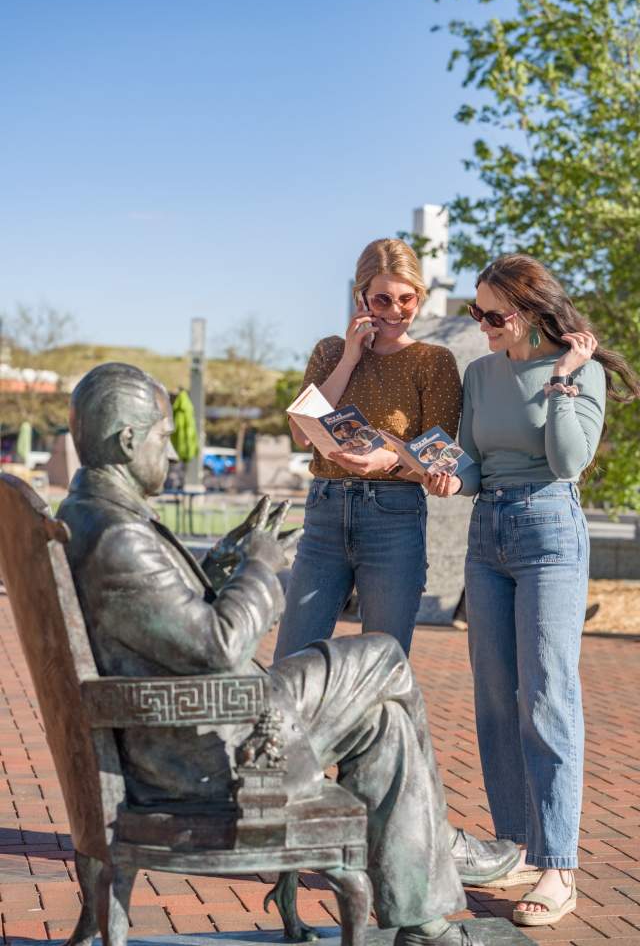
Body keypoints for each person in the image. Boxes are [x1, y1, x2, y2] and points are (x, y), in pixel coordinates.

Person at [58, 362, 519, 946]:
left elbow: (158, 618)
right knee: (383, 658)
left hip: (193, 724)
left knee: (386, 721)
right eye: (163, 439)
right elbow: (221, 645)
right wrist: (259, 566)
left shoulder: (89, 514)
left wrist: (222, 563)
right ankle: (442, 852)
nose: (173, 455)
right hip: (215, 746)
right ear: (128, 441)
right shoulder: (117, 536)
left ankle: (423, 919)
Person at [424, 254, 640, 928]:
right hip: (487, 533)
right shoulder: (481, 373)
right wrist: (434, 472)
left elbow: (569, 459)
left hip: (550, 528)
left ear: (532, 312)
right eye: (475, 312)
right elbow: (470, 460)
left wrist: (566, 380)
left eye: (494, 315)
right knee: (494, 694)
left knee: (547, 694)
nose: (483, 325)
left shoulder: (586, 371)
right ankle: (515, 845)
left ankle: (558, 866)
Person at [276, 237, 462, 659]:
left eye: (406, 299)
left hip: (393, 516)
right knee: (292, 660)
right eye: (382, 299)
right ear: (361, 297)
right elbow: (302, 435)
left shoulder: (433, 361)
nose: (395, 311)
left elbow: (440, 457)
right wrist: (349, 358)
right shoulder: (329, 351)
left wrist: (391, 459)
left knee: (381, 663)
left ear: (419, 297)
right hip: (324, 513)